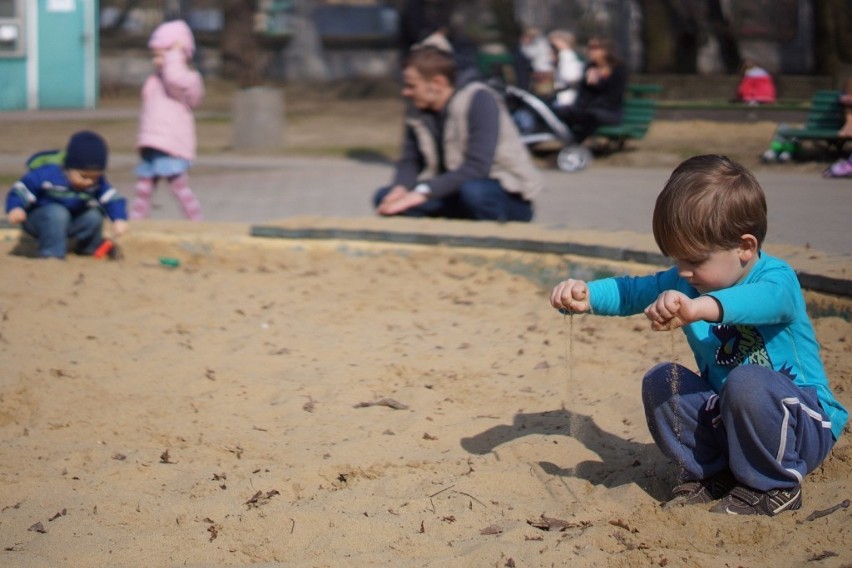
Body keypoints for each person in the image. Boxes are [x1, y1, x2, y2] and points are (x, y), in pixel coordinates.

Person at [549, 154, 847, 516]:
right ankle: (710, 472)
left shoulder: (776, 278)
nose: (683, 272)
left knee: (747, 381)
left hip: (803, 426)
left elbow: (764, 301)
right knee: (663, 381)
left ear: (745, 247)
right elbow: (631, 292)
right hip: (734, 421)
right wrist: (587, 295)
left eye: (694, 261)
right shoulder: (686, 281)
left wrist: (698, 308)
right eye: (677, 260)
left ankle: (775, 485)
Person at [373, 45, 544, 222]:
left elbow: (477, 167)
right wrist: (400, 188)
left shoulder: (479, 99)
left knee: (474, 192)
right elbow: (411, 160)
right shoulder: (417, 109)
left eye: (411, 86)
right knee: (383, 197)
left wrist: (422, 193)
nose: (405, 92)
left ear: (437, 83)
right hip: (453, 191)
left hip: (500, 192)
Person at [5, 131, 129, 259]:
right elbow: (21, 189)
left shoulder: (96, 183)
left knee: (94, 216)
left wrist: (119, 218)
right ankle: (51, 253)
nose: (89, 182)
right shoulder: (48, 174)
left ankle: (89, 248)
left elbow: (112, 198)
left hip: (70, 221)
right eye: (84, 176)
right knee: (57, 213)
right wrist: (16, 207)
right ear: (69, 167)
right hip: (40, 220)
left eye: (95, 177)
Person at [130, 19, 204, 221]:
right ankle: (137, 221)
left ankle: (196, 221)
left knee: (178, 186)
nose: (156, 60)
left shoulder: (186, 79)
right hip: (153, 142)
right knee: (144, 187)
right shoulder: (156, 79)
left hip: (171, 144)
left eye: (161, 54)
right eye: (155, 56)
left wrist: (174, 57)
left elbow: (176, 80)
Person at [553, 37, 627, 143]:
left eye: (595, 48)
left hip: (609, 112)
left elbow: (613, 97)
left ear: (606, 50)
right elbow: (582, 95)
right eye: (589, 48)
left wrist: (597, 83)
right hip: (586, 109)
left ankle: (574, 144)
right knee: (561, 111)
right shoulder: (589, 68)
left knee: (590, 116)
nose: (590, 52)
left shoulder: (618, 70)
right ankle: (570, 141)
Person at [548, 30, 584, 108]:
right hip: (561, 96)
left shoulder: (567, 55)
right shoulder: (562, 56)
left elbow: (571, 76)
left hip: (567, 97)